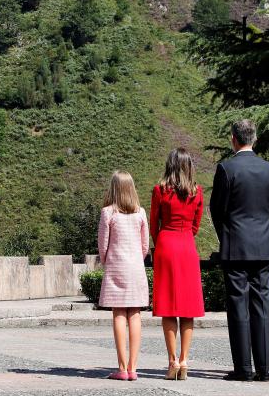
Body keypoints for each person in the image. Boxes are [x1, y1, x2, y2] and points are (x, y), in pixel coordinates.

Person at [210, 119, 269, 382]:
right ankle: (263, 370)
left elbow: (217, 209)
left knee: (238, 306)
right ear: (255, 139)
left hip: (236, 245)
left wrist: (227, 234)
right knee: (261, 306)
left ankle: (243, 368)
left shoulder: (226, 169)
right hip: (263, 245)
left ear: (233, 139)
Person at [150, 148, 205, 381]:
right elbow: (196, 225)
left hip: (166, 244)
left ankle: (171, 360)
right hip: (187, 246)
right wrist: (185, 234)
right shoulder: (197, 192)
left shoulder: (159, 190)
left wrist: (159, 241)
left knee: (168, 307)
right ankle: (184, 360)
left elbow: (154, 223)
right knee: (188, 308)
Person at [98, 170, 150, 381]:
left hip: (116, 266)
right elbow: (145, 245)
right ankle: (134, 367)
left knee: (119, 313)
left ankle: (122, 368)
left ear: (114, 188)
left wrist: (106, 261)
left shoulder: (108, 213)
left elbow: (103, 245)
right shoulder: (141, 213)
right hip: (136, 267)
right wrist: (137, 258)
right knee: (135, 314)